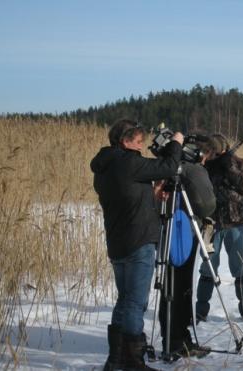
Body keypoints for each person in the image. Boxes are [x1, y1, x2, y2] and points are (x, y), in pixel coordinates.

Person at [90, 118, 183, 371]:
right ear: (125, 141)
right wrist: (176, 142)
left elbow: (126, 199)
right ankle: (133, 362)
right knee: (135, 303)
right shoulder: (128, 161)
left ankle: (116, 359)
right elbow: (169, 165)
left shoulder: (105, 167)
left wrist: (151, 195)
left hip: (118, 243)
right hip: (139, 241)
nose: (142, 146)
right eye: (138, 141)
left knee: (124, 300)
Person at [156, 136, 217, 360]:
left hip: (164, 232)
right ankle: (179, 340)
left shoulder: (164, 167)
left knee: (167, 289)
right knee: (181, 288)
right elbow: (207, 204)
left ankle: (169, 338)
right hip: (185, 234)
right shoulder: (193, 170)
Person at [196, 134, 243, 323]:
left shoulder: (238, 164)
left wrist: (227, 164)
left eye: (213, 150)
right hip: (209, 225)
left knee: (239, 268)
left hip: (235, 224)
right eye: (208, 150)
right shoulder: (203, 166)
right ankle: (200, 311)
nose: (210, 153)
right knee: (208, 266)